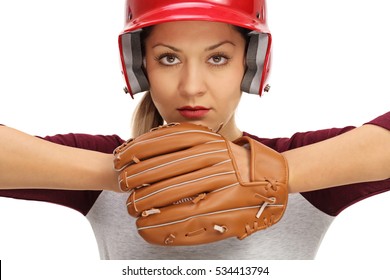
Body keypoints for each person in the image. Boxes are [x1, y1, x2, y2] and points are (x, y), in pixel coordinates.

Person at [0, 0, 389, 260]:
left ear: (251, 67)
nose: (191, 87)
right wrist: (133, 173)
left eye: (217, 58)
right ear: (141, 69)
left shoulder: (308, 163)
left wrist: (268, 173)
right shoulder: (103, 161)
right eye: (168, 58)